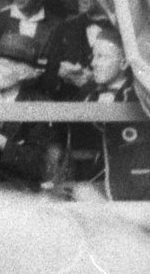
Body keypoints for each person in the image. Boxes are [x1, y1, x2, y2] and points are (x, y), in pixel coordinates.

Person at [63, 27, 150, 201]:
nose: (93, 63)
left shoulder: (139, 96)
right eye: (93, 56)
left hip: (137, 189)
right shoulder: (86, 94)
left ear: (124, 62)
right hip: (93, 187)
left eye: (102, 57)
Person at [0, 32, 60, 191]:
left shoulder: (40, 106)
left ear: (24, 73)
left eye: (2, 65)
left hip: (20, 195)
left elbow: (39, 165)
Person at [43, 0, 111, 100]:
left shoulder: (125, 31)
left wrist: (92, 81)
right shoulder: (64, 28)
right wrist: (59, 75)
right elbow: (48, 81)